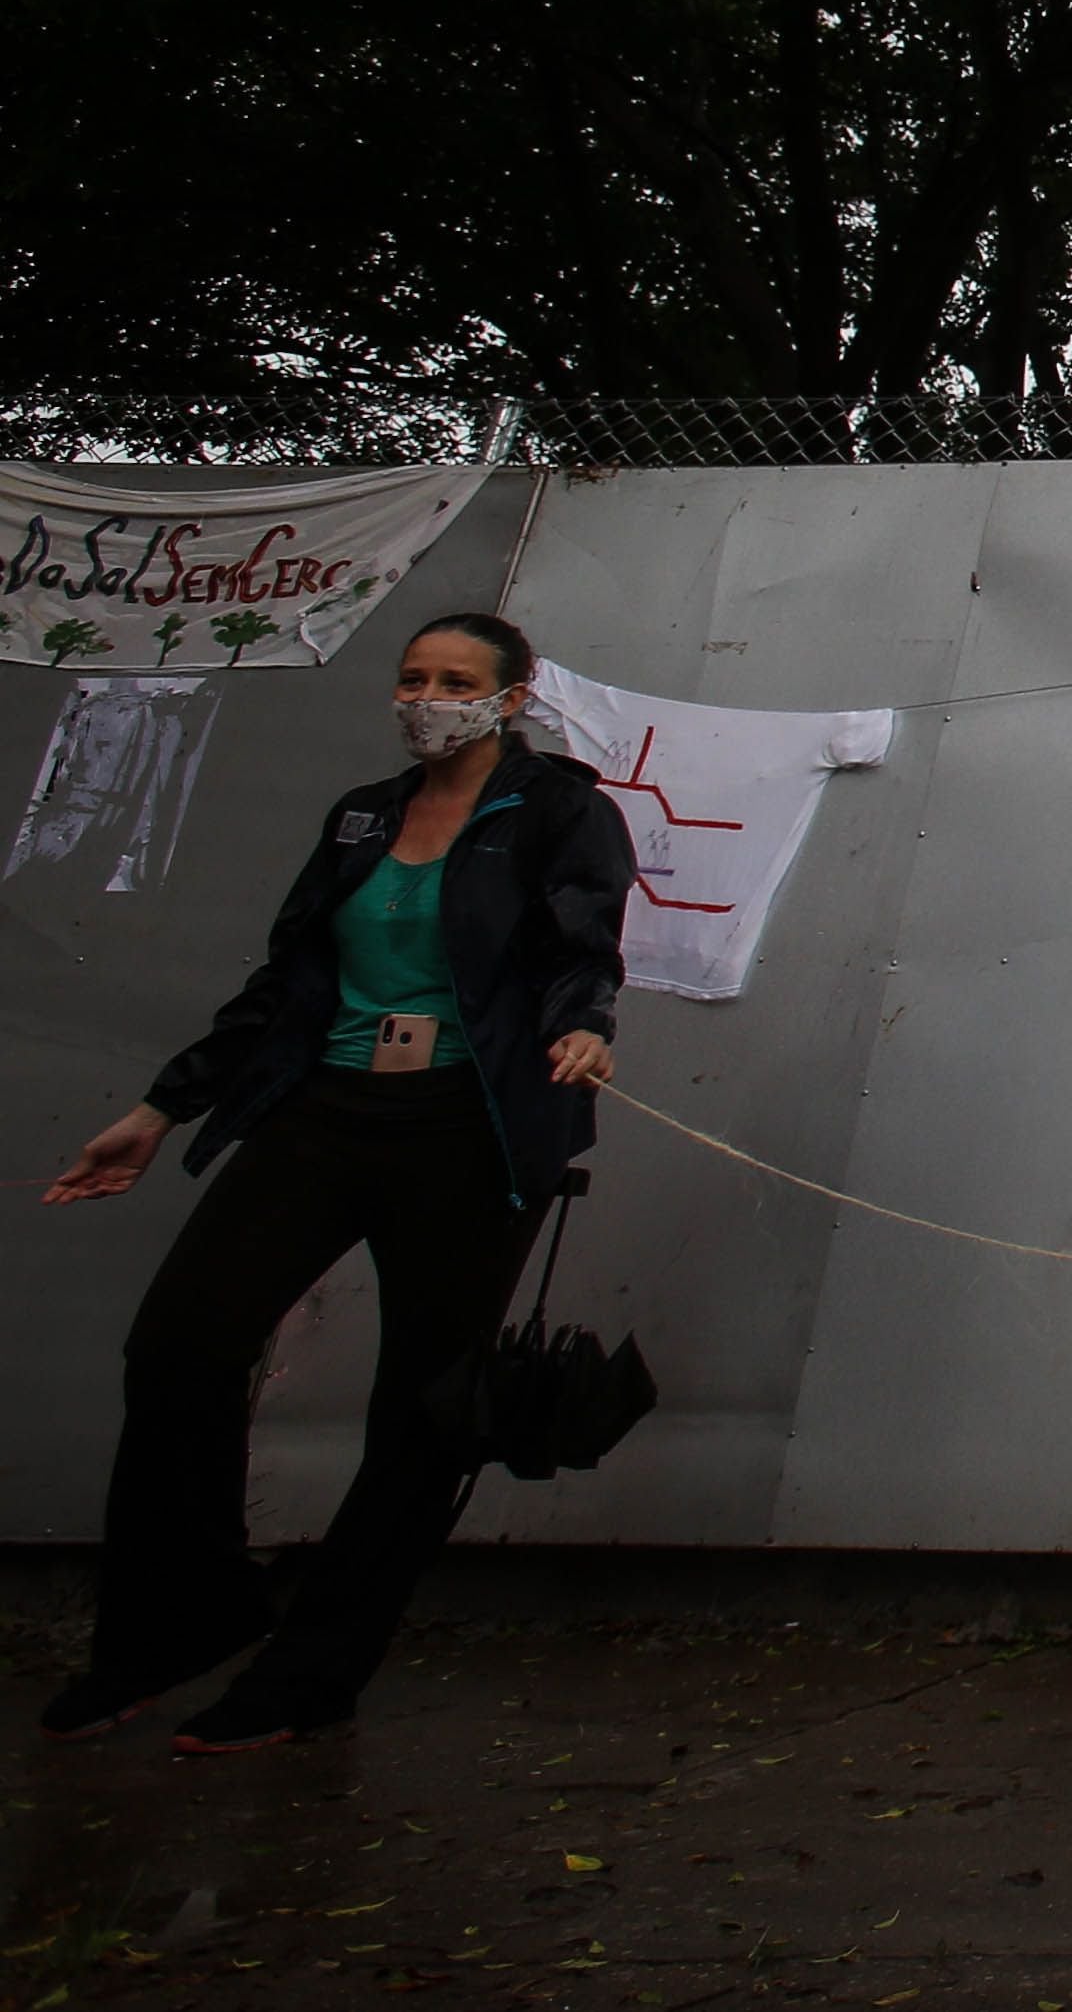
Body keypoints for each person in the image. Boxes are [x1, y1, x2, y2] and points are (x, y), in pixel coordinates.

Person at [35, 611, 633, 1750]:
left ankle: (313, 1672)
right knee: (177, 1347)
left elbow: (579, 944)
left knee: (420, 1413)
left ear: (513, 697)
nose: (427, 695)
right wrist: (163, 1107)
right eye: (412, 676)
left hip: (474, 1127)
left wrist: (584, 1031)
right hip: (326, 1112)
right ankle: (178, 1623)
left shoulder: (559, 810)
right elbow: (287, 980)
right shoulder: (363, 815)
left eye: (455, 679)